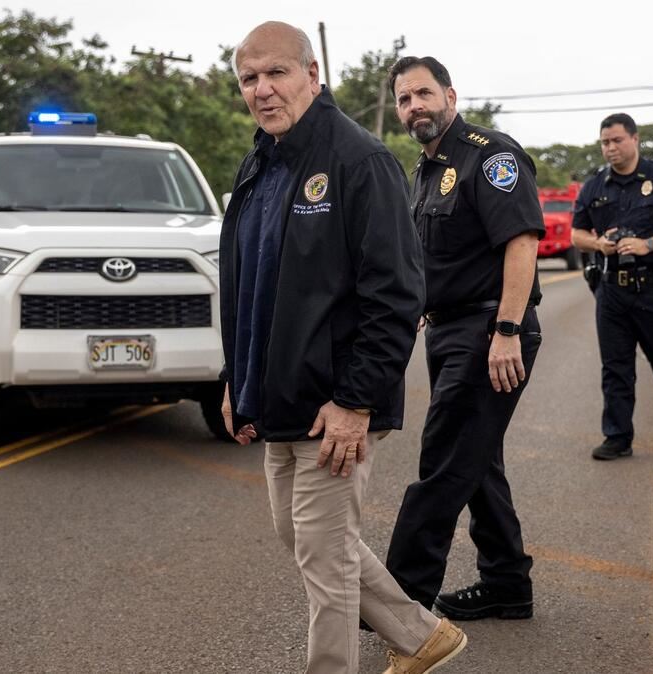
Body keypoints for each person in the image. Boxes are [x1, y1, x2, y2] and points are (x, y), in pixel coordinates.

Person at [218, 22, 466, 674]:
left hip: (338, 401)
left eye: (276, 73)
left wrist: (356, 400)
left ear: (312, 75)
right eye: (249, 78)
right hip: (278, 395)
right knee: (300, 538)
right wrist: (233, 377)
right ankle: (421, 634)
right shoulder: (260, 163)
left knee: (325, 560)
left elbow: (396, 295)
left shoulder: (359, 161)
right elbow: (249, 284)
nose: (263, 90)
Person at [384, 56, 544, 622]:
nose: (414, 107)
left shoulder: (490, 154)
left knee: (445, 460)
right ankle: (506, 584)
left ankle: (399, 600)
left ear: (450, 94)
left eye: (423, 94)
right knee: (477, 460)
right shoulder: (423, 171)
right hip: (450, 328)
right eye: (404, 100)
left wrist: (506, 331)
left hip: (489, 330)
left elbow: (520, 242)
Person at [570, 113, 653, 461]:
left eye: (616, 140)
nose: (610, 148)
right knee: (615, 368)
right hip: (612, 291)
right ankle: (617, 437)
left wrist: (649, 244)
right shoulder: (594, 186)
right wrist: (598, 245)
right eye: (604, 142)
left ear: (634, 139)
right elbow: (576, 234)